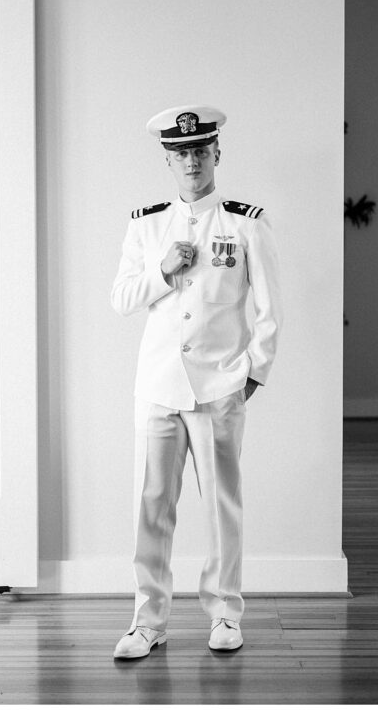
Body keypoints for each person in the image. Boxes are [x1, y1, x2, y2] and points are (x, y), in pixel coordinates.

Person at [110, 105, 281, 659]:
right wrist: (162, 269)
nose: (191, 160)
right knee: (150, 503)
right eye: (180, 152)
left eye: (200, 150)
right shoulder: (146, 224)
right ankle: (148, 620)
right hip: (158, 385)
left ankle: (225, 614)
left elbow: (270, 307)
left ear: (216, 154)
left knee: (220, 504)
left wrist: (252, 372)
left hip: (218, 386)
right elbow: (121, 300)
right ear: (167, 159)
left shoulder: (245, 222)